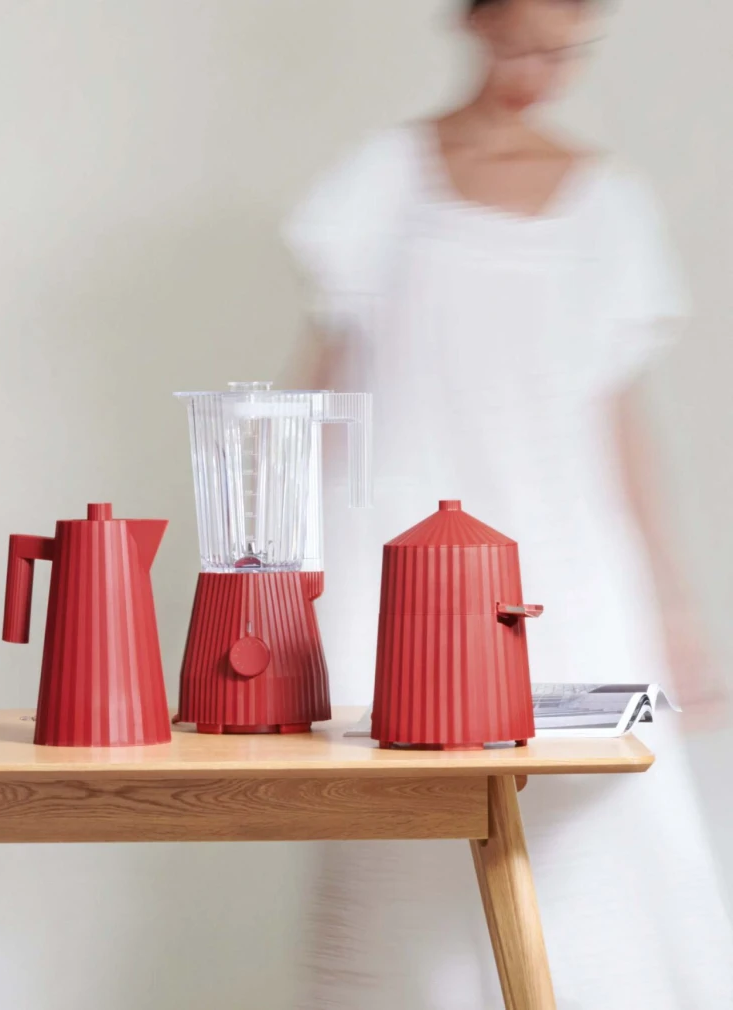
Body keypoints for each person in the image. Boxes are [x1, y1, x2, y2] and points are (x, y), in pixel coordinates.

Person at [283, 0, 733, 1006]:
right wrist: (274, 569)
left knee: (596, 853)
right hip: (395, 573)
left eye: (566, 51)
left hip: (563, 570)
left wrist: (672, 603)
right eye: (523, 42)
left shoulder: (608, 206)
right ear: (476, 24)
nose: (541, 71)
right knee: (397, 857)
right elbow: (316, 395)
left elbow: (618, 416)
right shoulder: (383, 182)